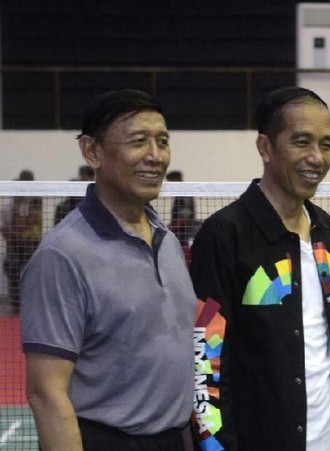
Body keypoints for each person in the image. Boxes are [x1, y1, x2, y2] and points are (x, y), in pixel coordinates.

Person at [21, 89, 196, 450]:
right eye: (138, 141)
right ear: (92, 152)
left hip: (174, 438)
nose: (155, 155)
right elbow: (46, 394)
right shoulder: (61, 256)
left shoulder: (165, 239)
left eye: (162, 142)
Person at [189, 87, 330, 450]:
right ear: (265, 147)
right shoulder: (225, 234)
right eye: (301, 142)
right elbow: (205, 358)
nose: (317, 158)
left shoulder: (322, 227)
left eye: (326, 144)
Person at [1, 169, 42, 313]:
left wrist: (22, 231)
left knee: (32, 271)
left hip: (31, 242)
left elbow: (35, 219)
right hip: (15, 243)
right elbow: (6, 223)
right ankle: (17, 304)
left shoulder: (36, 198)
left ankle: (32, 302)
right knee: (11, 268)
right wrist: (12, 235)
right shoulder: (14, 198)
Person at [165, 170, 201, 265]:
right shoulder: (180, 193)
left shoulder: (184, 192)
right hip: (180, 232)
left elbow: (185, 215)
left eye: (170, 181)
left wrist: (171, 228)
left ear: (175, 180)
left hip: (183, 232)